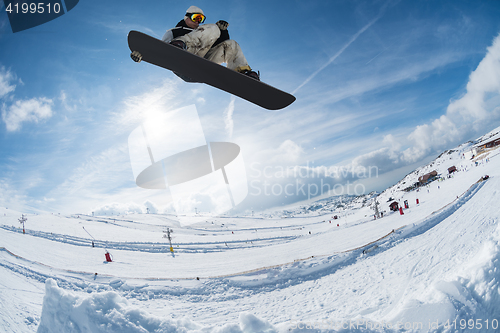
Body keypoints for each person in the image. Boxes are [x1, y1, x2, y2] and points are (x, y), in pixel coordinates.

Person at [161, 6, 260, 80]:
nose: (198, 22)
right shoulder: (174, 31)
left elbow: (222, 46)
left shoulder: (204, 33)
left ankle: (242, 72)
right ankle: (179, 45)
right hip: (183, 62)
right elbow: (160, 46)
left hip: (200, 66)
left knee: (231, 44)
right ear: (186, 17)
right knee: (212, 27)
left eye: (201, 19)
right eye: (195, 18)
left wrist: (222, 31)